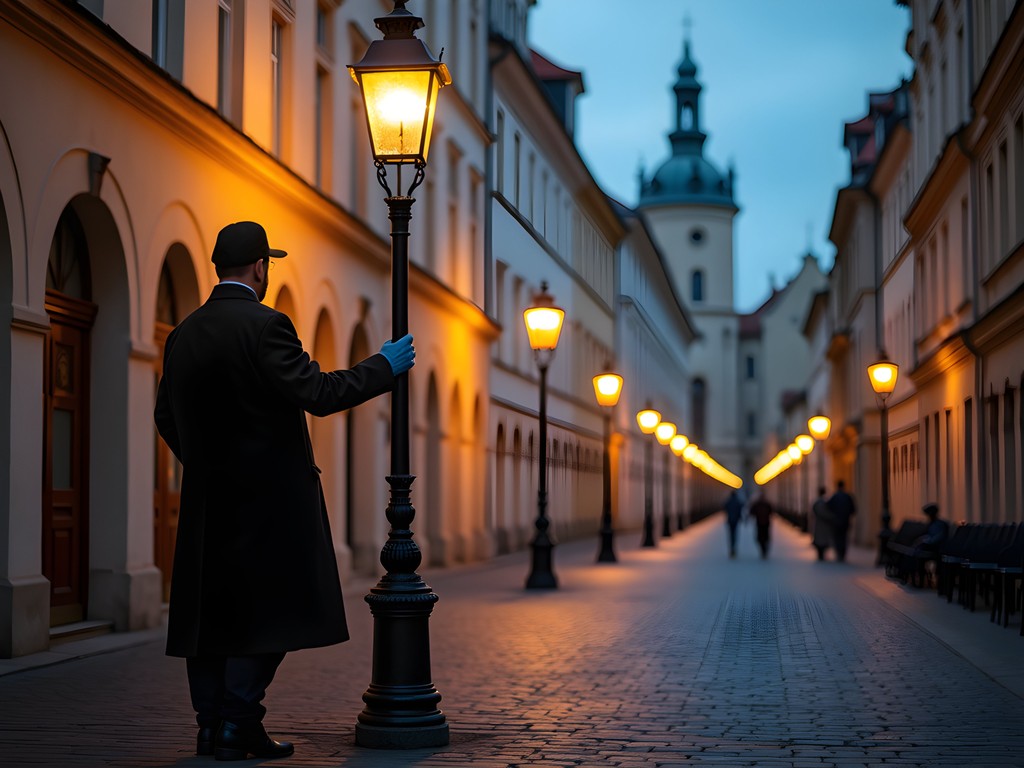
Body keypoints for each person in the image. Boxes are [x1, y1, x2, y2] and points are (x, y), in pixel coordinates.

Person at [154, 221, 415, 761]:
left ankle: (212, 727)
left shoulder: (183, 333)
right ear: (260, 266)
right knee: (273, 610)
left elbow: (165, 416)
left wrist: (207, 463)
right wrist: (382, 367)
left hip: (207, 503)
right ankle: (239, 722)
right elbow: (317, 392)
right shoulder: (267, 325)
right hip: (268, 504)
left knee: (211, 613)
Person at [827, 480, 857, 562]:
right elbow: (853, 509)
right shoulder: (848, 496)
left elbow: (828, 507)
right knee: (844, 537)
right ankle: (843, 553)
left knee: (837, 537)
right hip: (845, 521)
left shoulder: (834, 496)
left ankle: (839, 552)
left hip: (836, 521)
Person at [811, 486, 833, 561]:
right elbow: (827, 512)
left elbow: (814, 511)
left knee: (819, 540)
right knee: (824, 540)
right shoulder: (825, 502)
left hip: (818, 523)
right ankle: (822, 554)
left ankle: (820, 554)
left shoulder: (817, 502)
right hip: (824, 524)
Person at [749, 492, 773, 558]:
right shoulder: (767, 504)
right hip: (766, 523)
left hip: (759, 523)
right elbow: (771, 512)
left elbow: (752, 512)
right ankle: (764, 549)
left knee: (760, 537)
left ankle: (763, 549)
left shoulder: (757, 504)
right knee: (765, 537)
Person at [724, 489, 744, 558]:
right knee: (735, 534)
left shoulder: (728, 501)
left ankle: (731, 548)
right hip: (736, 520)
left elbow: (724, 507)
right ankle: (734, 548)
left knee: (730, 535)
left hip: (730, 520)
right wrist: (740, 517)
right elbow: (740, 508)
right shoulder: (737, 501)